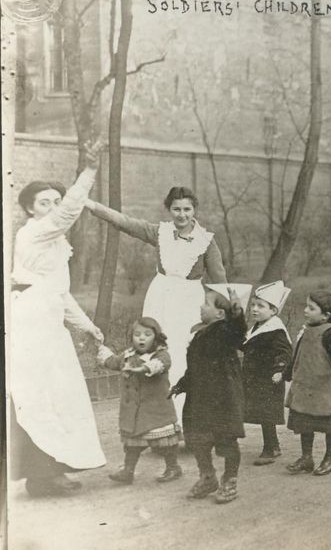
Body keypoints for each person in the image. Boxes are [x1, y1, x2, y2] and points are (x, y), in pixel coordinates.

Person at [9, 147, 106, 497]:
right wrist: (90, 171)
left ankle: (48, 471)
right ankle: (41, 475)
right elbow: (67, 215)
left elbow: (60, 294)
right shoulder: (32, 234)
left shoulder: (53, 243)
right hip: (31, 325)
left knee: (59, 396)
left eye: (55, 201)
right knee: (38, 397)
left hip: (49, 324)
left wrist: (87, 325)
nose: (51, 208)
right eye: (44, 203)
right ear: (29, 209)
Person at [85, 187, 227, 418]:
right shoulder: (160, 232)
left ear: (194, 210)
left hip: (189, 302)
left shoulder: (206, 242)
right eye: (176, 209)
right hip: (160, 297)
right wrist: (91, 205)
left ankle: (187, 419)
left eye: (187, 209)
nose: (181, 215)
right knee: (157, 349)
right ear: (169, 209)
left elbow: (220, 280)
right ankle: (159, 419)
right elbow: (125, 222)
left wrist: (227, 315)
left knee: (184, 352)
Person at [170, 285, 248, 504]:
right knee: (197, 439)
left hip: (223, 398)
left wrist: (236, 311)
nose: (201, 307)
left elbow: (238, 330)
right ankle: (207, 476)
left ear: (220, 313)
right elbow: (194, 367)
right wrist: (182, 384)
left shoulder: (225, 331)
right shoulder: (200, 334)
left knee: (226, 440)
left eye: (206, 303)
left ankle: (230, 480)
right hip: (200, 398)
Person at [96, 318, 182, 484]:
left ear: (156, 337)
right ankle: (128, 471)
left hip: (156, 410)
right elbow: (113, 362)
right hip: (134, 411)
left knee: (164, 443)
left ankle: (173, 467)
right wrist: (100, 348)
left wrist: (139, 369)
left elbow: (157, 366)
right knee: (132, 444)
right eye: (137, 334)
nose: (141, 338)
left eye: (147, 334)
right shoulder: (127, 356)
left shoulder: (161, 355)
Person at [285, 290, 331, 476]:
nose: (305, 310)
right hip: (306, 387)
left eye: (311, 308)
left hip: (326, 389)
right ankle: (307, 457)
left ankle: (329, 458)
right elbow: (299, 354)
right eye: (306, 306)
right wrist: (287, 373)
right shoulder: (307, 330)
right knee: (305, 422)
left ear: (326, 316)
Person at [242, 281, 292, 466]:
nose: (254, 309)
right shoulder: (258, 327)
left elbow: (284, 353)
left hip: (269, 378)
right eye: (253, 305)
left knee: (266, 414)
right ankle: (273, 445)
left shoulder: (275, 330)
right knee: (263, 414)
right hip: (256, 379)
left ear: (273, 311)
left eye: (260, 306)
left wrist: (280, 369)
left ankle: (270, 449)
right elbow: (247, 345)